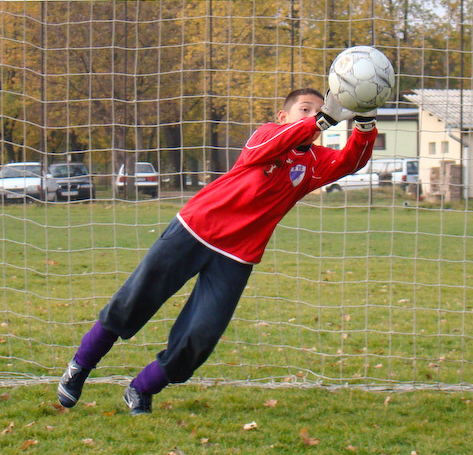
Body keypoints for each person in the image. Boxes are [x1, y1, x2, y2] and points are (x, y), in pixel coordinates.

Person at [57, 87, 378, 414]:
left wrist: (364, 122)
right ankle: (80, 366)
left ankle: (142, 388)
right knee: (133, 302)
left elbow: (351, 160)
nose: (312, 117)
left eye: (319, 111)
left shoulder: (313, 164)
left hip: (238, 256)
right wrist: (322, 121)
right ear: (283, 117)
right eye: (305, 110)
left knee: (201, 335)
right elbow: (265, 149)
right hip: (195, 229)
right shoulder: (266, 136)